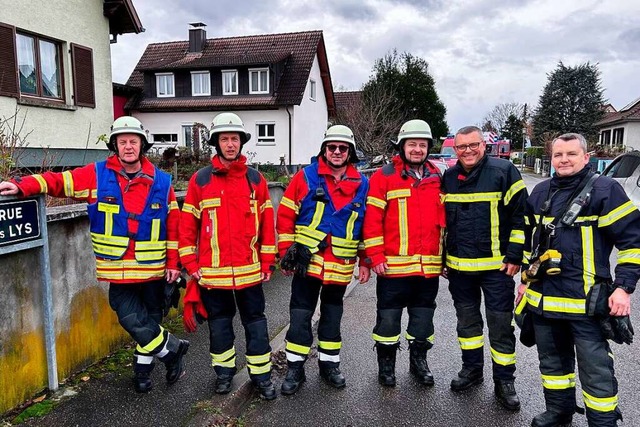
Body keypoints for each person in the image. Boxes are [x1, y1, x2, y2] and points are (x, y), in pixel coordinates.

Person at [0, 116, 188, 393]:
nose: (127, 147)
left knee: (149, 322)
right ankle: (173, 351)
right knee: (132, 320)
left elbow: (174, 226)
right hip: (118, 272)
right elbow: (58, 181)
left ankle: (142, 374)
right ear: (114, 145)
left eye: (132, 142)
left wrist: (174, 264)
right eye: (122, 142)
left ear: (142, 145)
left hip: (154, 270)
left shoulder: (162, 182)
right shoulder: (96, 175)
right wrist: (23, 185)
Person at [518, 133, 640, 427]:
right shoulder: (541, 192)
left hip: (585, 303)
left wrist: (623, 288)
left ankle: (602, 421)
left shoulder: (605, 190)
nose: (564, 160)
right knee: (552, 363)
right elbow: (527, 242)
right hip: (543, 301)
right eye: (558, 155)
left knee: (595, 369)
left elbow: (633, 242)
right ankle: (559, 411)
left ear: (586, 158)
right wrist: (524, 282)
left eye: (571, 154)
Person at [178, 112, 277, 400]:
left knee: (256, 324)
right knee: (220, 326)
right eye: (225, 139)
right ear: (216, 143)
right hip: (212, 274)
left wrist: (268, 261)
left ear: (242, 142)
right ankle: (224, 374)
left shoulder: (255, 180)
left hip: (250, 272)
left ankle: (261, 376)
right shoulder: (201, 180)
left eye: (235, 138)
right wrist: (191, 265)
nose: (230, 144)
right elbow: (187, 227)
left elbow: (266, 225)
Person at [276, 124, 370, 395]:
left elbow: (365, 226)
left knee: (332, 315)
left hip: (340, 266)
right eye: (332, 147)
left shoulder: (363, 184)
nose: (337, 152)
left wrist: (365, 261)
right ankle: (295, 368)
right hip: (308, 263)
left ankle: (329, 366)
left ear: (350, 152)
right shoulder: (305, 177)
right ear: (324, 150)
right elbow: (285, 216)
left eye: (343, 148)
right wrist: (285, 254)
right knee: (300, 315)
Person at [441, 125, 527, 411]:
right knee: (467, 325)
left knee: (501, 326)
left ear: (483, 145)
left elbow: (521, 218)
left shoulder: (504, 171)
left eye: (473, 145)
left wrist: (515, 256)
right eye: (462, 147)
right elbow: (444, 224)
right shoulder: (449, 177)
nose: (468, 151)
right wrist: (443, 259)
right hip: (459, 268)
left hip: (497, 269)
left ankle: (504, 381)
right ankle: (472, 370)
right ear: (455, 149)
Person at [362, 119, 445, 387]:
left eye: (422, 145)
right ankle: (386, 366)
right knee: (388, 322)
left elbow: (447, 221)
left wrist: (445, 258)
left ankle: (419, 362)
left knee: (423, 322)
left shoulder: (438, 178)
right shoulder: (383, 177)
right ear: (401, 147)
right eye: (412, 144)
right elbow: (372, 219)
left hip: (427, 268)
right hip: (393, 269)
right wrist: (375, 256)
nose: (418, 149)